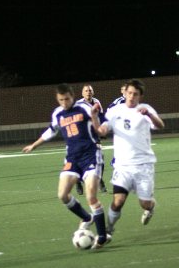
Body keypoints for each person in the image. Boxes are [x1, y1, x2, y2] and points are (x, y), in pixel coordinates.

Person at [22, 83, 110, 250]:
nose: (64, 102)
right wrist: (34, 145)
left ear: (73, 96)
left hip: (90, 155)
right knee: (62, 195)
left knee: (91, 196)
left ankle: (102, 237)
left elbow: (101, 126)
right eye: (61, 100)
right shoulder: (58, 113)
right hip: (72, 158)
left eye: (67, 99)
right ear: (57, 98)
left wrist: (96, 119)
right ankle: (86, 218)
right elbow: (50, 131)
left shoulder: (84, 108)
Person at [91, 78, 164, 235]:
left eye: (135, 94)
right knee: (118, 202)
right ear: (125, 93)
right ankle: (108, 230)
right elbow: (102, 132)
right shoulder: (115, 111)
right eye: (129, 93)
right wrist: (94, 117)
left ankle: (150, 208)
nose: (131, 96)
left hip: (143, 165)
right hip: (123, 166)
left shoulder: (145, 109)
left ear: (140, 96)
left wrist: (150, 115)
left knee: (145, 203)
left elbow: (160, 125)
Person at [74, 84, 107, 195]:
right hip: (81, 136)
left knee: (100, 157)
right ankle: (78, 181)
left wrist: (103, 128)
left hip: (93, 135)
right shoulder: (78, 104)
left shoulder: (97, 102)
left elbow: (101, 117)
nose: (88, 92)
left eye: (90, 90)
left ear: (93, 92)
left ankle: (99, 179)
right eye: (86, 90)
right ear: (82, 93)